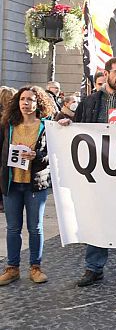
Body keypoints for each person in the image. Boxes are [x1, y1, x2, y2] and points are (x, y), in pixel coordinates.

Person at [59, 57, 116, 288]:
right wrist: (65, 126)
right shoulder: (91, 101)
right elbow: (79, 128)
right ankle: (94, 268)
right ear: (107, 73)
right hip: (97, 173)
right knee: (97, 219)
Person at [0, 86, 54, 285]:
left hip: (35, 184)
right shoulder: (8, 125)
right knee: (13, 228)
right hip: (11, 183)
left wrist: (37, 156)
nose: (26, 103)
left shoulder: (47, 126)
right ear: (17, 102)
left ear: (38, 103)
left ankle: (35, 267)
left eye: (30, 99)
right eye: (23, 99)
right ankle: (12, 268)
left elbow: (53, 155)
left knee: (35, 228)